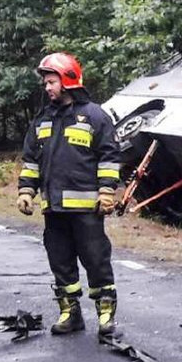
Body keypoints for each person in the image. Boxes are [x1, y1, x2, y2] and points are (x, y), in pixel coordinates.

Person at [17, 53, 122, 337]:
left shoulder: (95, 116)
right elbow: (30, 160)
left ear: (68, 80)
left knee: (96, 260)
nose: (47, 88)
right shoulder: (42, 120)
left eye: (52, 82)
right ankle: (70, 314)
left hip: (88, 210)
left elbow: (110, 157)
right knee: (60, 262)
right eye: (46, 83)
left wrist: (107, 191)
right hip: (54, 209)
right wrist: (26, 190)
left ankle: (106, 316)